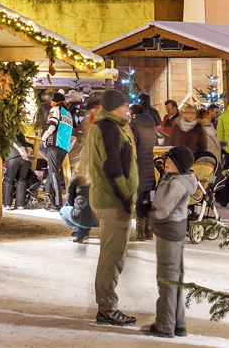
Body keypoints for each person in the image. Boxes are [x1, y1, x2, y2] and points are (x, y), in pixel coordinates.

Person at [86, 88, 140, 326]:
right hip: (113, 201)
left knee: (111, 254)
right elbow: (113, 168)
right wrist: (127, 196)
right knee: (112, 257)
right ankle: (107, 308)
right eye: (124, 105)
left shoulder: (104, 126)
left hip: (105, 198)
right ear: (114, 108)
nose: (127, 109)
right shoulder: (109, 129)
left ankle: (106, 305)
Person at [144, 145, 198, 338]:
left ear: (180, 165)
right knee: (175, 277)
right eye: (167, 159)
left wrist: (148, 213)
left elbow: (164, 211)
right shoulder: (175, 178)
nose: (167, 162)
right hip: (173, 230)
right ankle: (178, 323)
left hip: (169, 231)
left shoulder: (178, 183)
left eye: (171, 161)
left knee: (166, 278)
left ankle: (165, 325)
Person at [62, 102, 98, 243]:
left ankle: (80, 230)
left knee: (73, 206)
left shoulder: (87, 151)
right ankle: (83, 230)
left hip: (86, 183)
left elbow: (71, 192)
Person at [129, 102, 161, 239]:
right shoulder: (151, 124)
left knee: (139, 198)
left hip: (139, 165)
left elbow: (133, 146)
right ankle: (149, 232)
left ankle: (140, 232)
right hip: (149, 165)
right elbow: (154, 144)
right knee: (147, 199)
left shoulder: (135, 126)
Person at [41, 91, 74, 210]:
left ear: (56, 101)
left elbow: (51, 125)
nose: (50, 103)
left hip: (55, 145)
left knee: (54, 173)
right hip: (64, 147)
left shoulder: (56, 110)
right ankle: (49, 198)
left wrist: (43, 138)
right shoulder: (69, 114)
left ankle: (58, 202)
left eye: (52, 101)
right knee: (52, 170)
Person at [3, 132, 36, 209]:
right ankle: (20, 205)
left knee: (9, 180)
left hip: (12, 158)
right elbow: (23, 143)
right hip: (24, 158)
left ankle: (7, 204)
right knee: (22, 180)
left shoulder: (5, 133)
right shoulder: (19, 131)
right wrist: (31, 145)